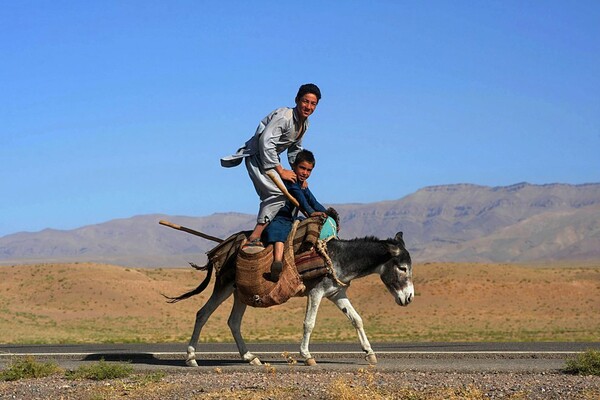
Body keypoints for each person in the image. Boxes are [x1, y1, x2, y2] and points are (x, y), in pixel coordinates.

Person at [220, 83, 322, 249]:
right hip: (258, 158)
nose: (308, 106)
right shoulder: (285, 117)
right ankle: (254, 237)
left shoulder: (305, 124)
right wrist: (280, 170)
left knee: (288, 191)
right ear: (297, 100)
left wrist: (298, 175)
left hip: (270, 160)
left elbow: (295, 150)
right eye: (305, 101)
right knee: (277, 195)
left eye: (313, 104)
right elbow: (265, 141)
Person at [263, 150, 327, 280]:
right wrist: (311, 212)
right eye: (302, 168)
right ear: (294, 166)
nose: (305, 173)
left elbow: (312, 200)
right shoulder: (290, 180)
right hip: (279, 217)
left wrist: (327, 214)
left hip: (292, 219)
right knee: (279, 233)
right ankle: (277, 263)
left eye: (309, 170)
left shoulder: (302, 184)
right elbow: (301, 199)